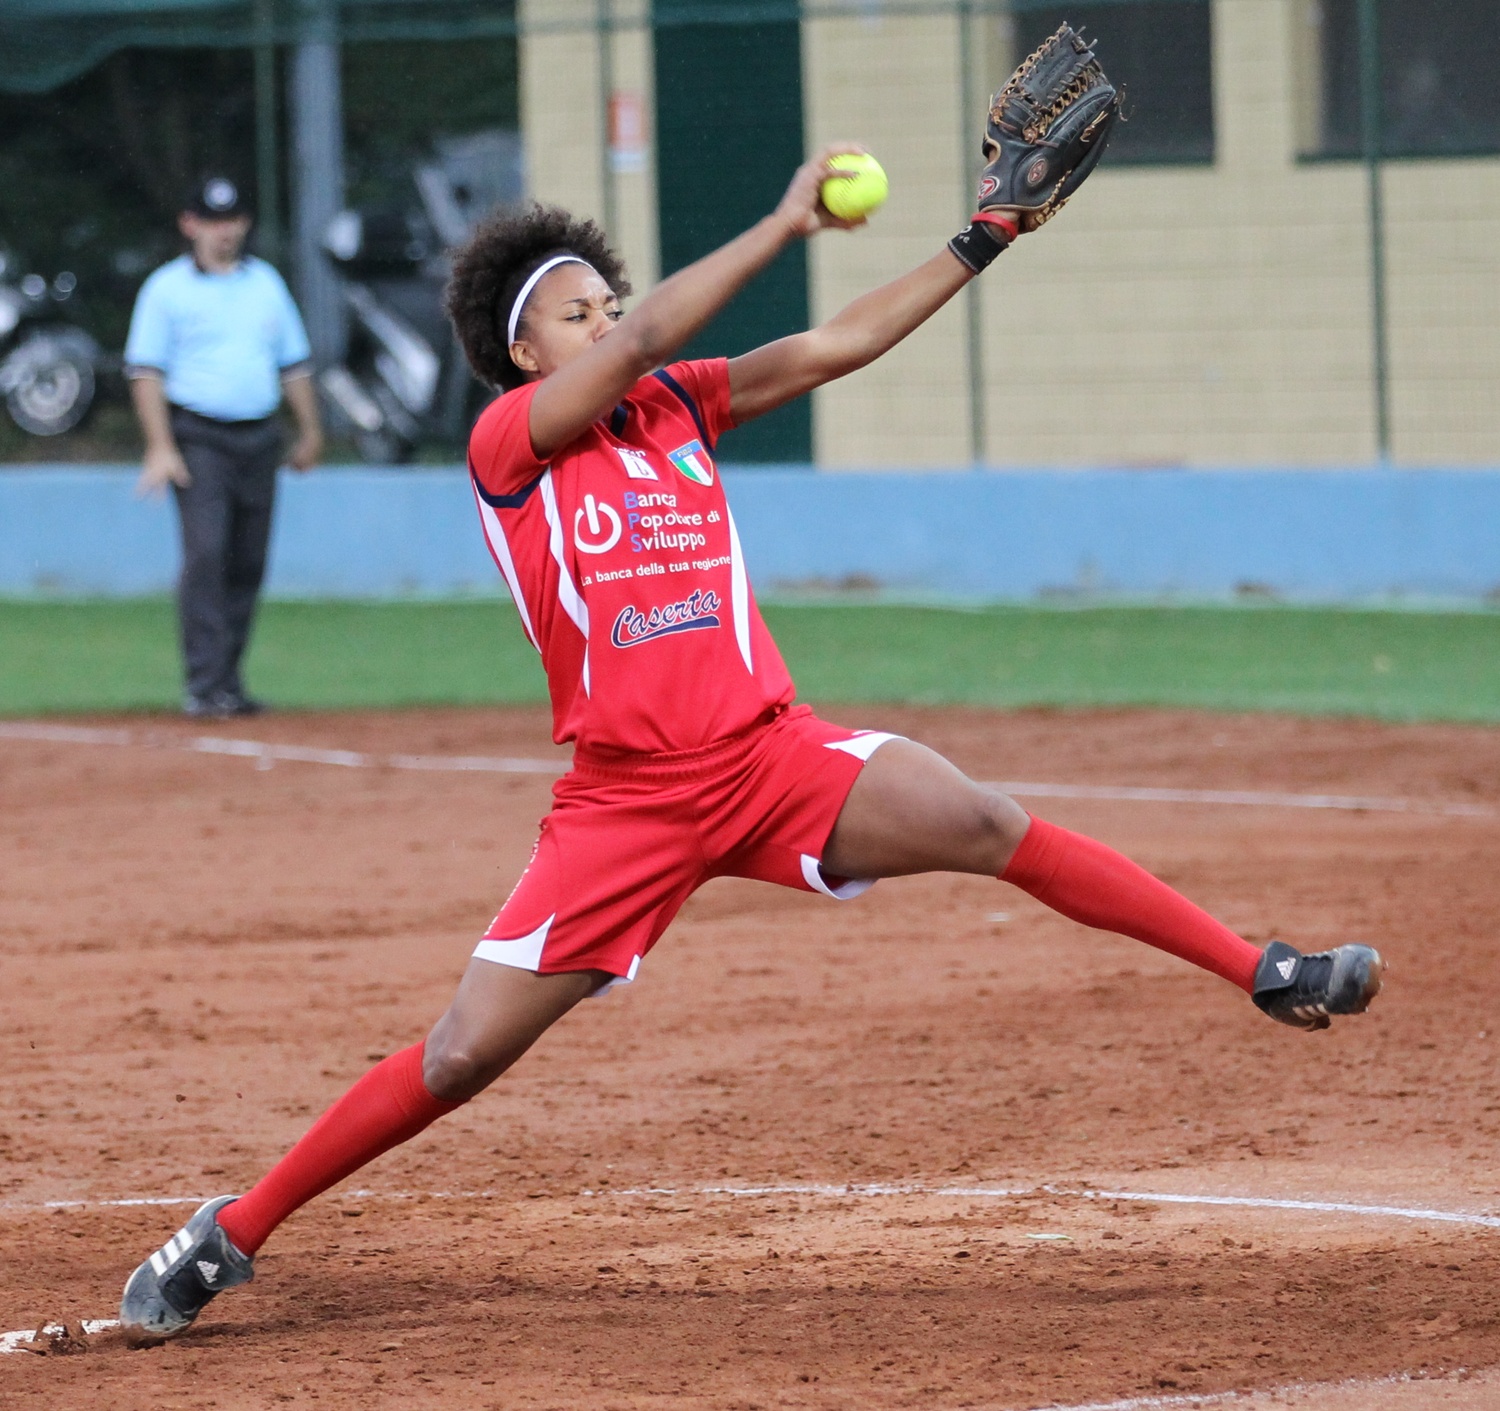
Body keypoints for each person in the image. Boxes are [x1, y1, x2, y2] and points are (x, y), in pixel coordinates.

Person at [118, 146, 1384, 1342]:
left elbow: (837, 343)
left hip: (770, 758)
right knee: (460, 1054)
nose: (608, 317)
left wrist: (985, 235)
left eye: (608, 298)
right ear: (519, 349)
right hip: (626, 806)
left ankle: (1261, 967)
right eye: (578, 310)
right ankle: (231, 1229)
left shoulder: (674, 412)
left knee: (983, 819)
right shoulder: (513, 447)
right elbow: (663, 329)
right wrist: (786, 222)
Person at [124, 175, 324, 719]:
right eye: (212, 220)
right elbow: (146, 372)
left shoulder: (265, 285)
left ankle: (228, 680)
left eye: (232, 219)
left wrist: (309, 430)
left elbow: (293, 363)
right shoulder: (166, 289)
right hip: (199, 436)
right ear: (190, 225)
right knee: (207, 554)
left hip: (259, 435)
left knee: (247, 559)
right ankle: (205, 683)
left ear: (245, 223)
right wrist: (160, 444)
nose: (223, 231)